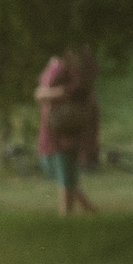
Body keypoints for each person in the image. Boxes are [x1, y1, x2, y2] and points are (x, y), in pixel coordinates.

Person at [35, 45, 101, 215]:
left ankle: (66, 217)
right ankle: (89, 208)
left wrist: (48, 94)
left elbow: (79, 89)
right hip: (51, 126)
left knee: (65, 168)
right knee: (50, 164)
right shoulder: (57, 57)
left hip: (67, 123)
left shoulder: (77, 56)